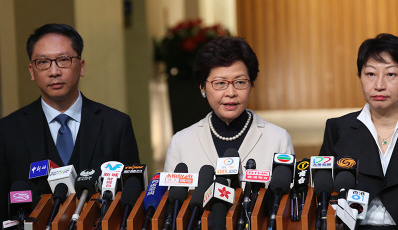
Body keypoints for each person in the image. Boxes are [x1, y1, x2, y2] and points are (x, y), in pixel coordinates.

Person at [0, 23, 140, 220]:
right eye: (43, 62)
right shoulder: (8, 131)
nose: (54, 71)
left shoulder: (116, 125)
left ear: (81, 66)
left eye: (63, 60)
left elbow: (131, 202)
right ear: (32, 71)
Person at [319, 33, 398, 229]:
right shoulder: (337, 129)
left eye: (391, 74)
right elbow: (324, 197)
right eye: (370, 74)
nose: (379, 85)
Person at [164, 36, 294, 174]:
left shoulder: (278, 139)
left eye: (240, 82)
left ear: (251, 85)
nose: (231, 93)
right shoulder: (181, 142)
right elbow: (170, 194)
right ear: (202, 87)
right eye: (220, 83)